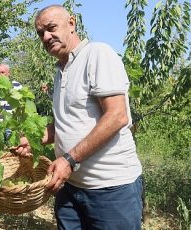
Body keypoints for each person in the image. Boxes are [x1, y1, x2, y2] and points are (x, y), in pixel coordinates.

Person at [16, 5, 143, 230]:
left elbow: (117, 116)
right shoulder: (61, 71)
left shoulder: (97, 54)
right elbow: (63, 126)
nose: (46, 36)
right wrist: (32, 139)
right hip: (70, 188)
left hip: (111, 190)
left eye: (51, 28)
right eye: (40, 33)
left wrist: (69, 160)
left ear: (72, 24)